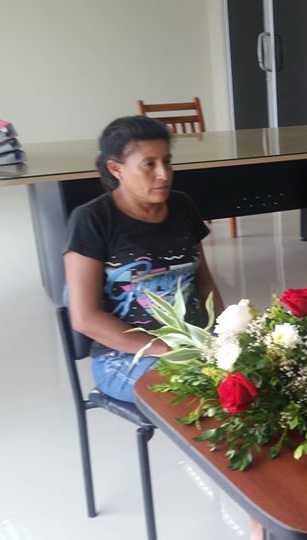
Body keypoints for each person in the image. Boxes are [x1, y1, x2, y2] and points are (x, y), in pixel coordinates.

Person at [64, 115, 223, 404]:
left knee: (257, 376)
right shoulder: (92, 219)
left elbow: (204, 283)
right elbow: (85, 318)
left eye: (167, 161)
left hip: (194, 345)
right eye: (149, 164)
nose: (163, 174)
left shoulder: (182, 205)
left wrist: (225, 333)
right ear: (116, 169)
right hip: (125, 357)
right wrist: (164, 348)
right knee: (210, 395)